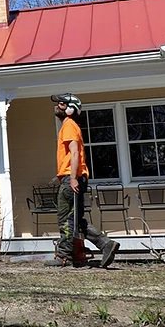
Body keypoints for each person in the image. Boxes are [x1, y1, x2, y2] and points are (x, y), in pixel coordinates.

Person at [51, 92, 120, 268]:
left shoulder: (68, 125)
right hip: (72, 177)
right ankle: (105, 244)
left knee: (66, 219)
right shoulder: (71, 126)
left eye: (61, 104)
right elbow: (72, 155)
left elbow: (75, 153)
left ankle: (63, 257)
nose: (56, 106)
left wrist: (72, 178)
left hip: (72, 179)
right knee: (77, 219)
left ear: (70, 109)